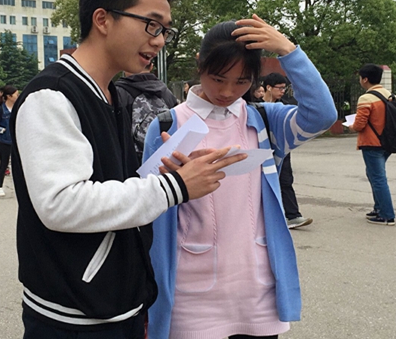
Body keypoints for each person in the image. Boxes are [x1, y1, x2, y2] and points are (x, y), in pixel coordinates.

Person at [9, 0, 246, 339]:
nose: (160, 40)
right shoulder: (52, 96)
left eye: (165, 30)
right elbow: (60, 203)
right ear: (103, 19)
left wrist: (169, 172)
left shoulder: (114, 95)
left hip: (122, 303)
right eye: (152, 25)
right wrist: (174, 187)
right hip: (73, 316)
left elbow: (113, 182)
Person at [144, 17, 337, 338]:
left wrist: (289, 51)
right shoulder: (169, 124)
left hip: (258, 290)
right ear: (199, 64)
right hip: (190, 295)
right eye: (218, 78)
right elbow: (148, 207)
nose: (227, 91)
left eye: (242, 81)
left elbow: (322, 115)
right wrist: (171, 185)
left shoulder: (265, 120)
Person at [262, 73, 313, 229]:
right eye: (279, 88)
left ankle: (293, 215)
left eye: (284, 88)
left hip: (281, 148)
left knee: (285, 180)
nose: (282, 91)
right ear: (268, 87)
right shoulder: (256, 106)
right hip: (261, 148)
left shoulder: (285, 106)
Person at [349, 64, 396, 225]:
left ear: (365, 79)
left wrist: (351, 126)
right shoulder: (390, 95)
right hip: (388, 141)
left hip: (371, 143)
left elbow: (359, 125)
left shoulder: (366, 98)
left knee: (378, 178)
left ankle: (386, 215)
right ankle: (379, 208)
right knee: (374, 175)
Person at [116, 62, 179, 161]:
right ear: (151, 66)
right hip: (164, 158)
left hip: (132, 160)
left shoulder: (118, 93)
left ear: (125, 69)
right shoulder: (166, 93)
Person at [0, 85, 18, 197]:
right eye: (16, 95)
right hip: (4, 141)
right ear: (9, 96)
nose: (18, 96)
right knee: (4, 163)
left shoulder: (18, 108)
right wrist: (1, 130)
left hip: (17, 141)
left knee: (18, 165)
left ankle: (19, 187)